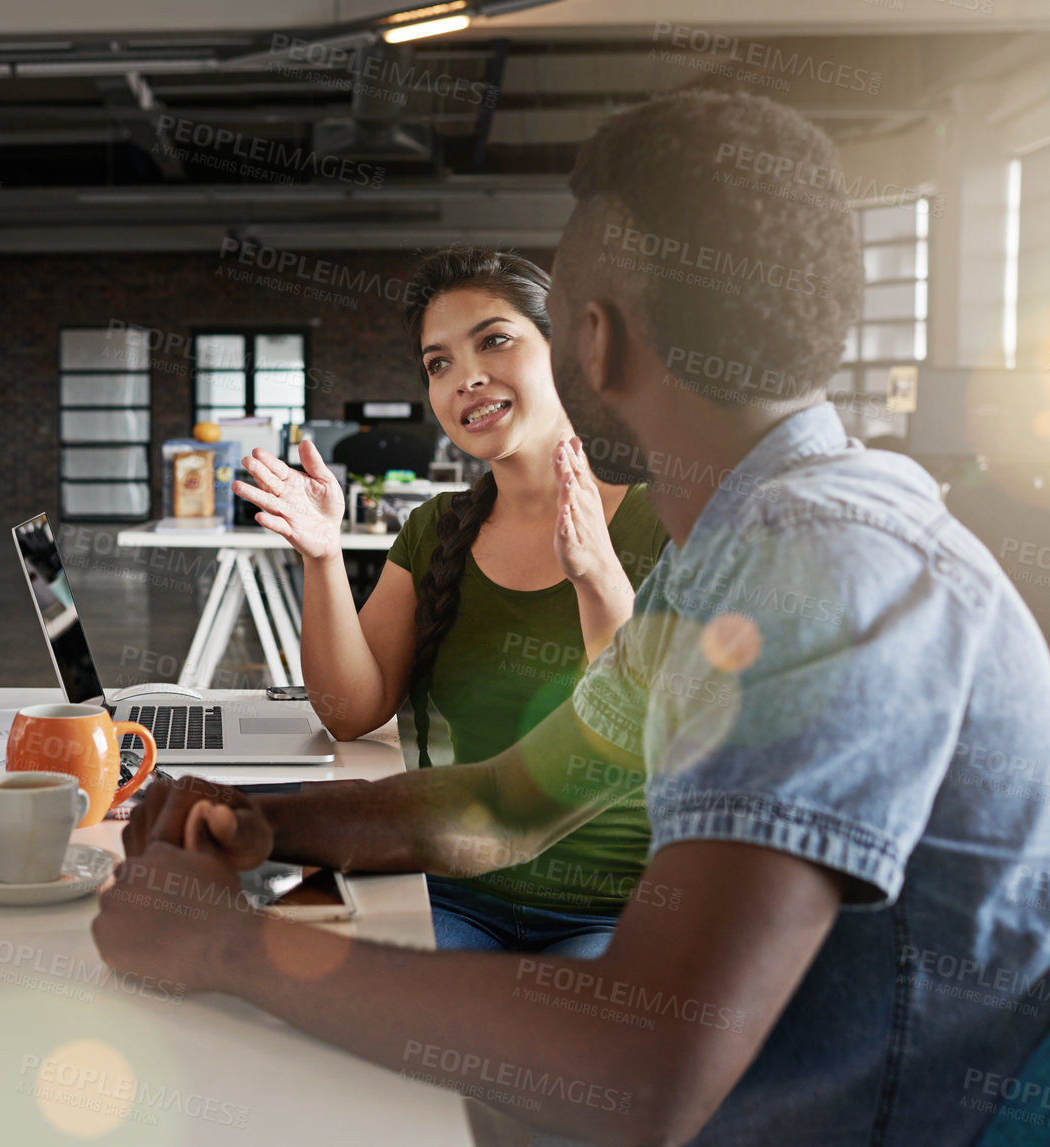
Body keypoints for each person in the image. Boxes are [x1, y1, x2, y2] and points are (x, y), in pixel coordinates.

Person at [94, 88, 1050, 1146]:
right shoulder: (731, 558)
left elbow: (642, 1064)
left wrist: (228, 949)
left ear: (589, 343)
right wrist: (265, 814)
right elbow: (506, 807)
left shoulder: (815, 561)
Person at [234, 248, 668, 954]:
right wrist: (322, 556)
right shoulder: (435, 527)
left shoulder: (662, 519)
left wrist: (594, 573)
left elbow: (642, 735)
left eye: (494, 340)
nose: (464, 377)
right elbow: (350, 713)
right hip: (453, 890)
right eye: (437, 363)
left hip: (608, 912)